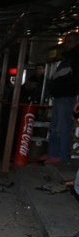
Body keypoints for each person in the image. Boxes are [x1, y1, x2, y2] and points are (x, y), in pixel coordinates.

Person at [43, 33, 79, 164]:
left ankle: (60, 154)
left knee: (62, 127)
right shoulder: (69, 57)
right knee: (55, 126)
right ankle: (53, 153)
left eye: (69, 41)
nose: (65, 44)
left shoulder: (74, 57)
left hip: (66, 95)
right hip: (61, 95)